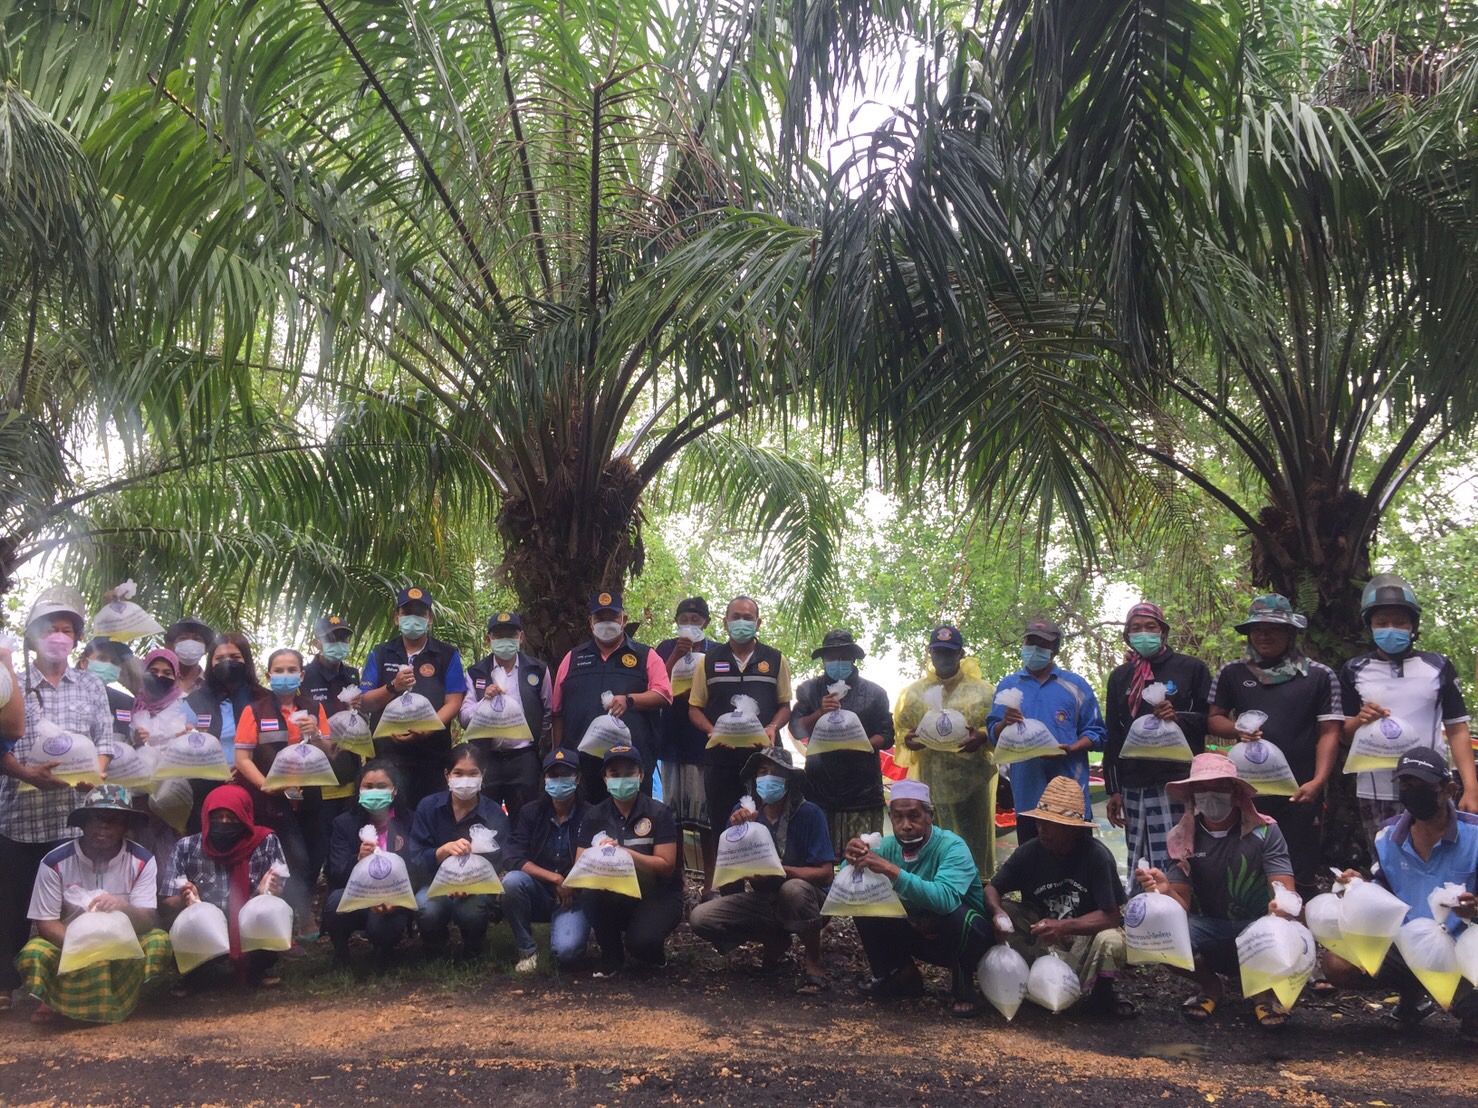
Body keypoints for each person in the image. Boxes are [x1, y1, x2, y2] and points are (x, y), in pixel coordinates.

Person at [0, 586, 116, 1009]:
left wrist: (95, 773)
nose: (59, 636)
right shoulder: (9, 682)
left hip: (73, 817)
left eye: (68, 630)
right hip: (18, 815)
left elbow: (104, 738)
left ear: (76, 639)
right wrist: (24, 773)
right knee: (9, 906)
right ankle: (4, 985)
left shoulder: (89, 685)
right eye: (51, 628)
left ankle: (63, 985)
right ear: (32, 635)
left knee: (72, 905)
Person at [1319, 748, 1477, 1039]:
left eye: (1423, 786)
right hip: (1405, 943)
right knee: (1338, 963)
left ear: (1448, 789)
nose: (1412, 792)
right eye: (1405, 785)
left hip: (1463, 948)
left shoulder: (1475, 834)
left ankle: (1456, 1000)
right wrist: (1360, 886)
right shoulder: (1387, 835)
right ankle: (1414, 994)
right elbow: (1385, 890)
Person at [1135, 753, 1297, 1028]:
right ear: (1192, 796)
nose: (1211, 795)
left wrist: (1279, 907)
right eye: (1202, 789)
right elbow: (1180, 908)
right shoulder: (1181, 838)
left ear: (1235, 793)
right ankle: (1211, 988)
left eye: (1220, 787)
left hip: (1259, 929)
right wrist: (1163, 891)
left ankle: (1264, 992)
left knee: (1287, 922)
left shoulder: (1265, 832)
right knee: (1157, 932)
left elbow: (1285, 892)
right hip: (1209, 928)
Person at [1208, 594, 1342, 901]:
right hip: (1246, 791)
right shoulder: (1233, 672)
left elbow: (1329, 731)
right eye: (1257, 629)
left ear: (1290, 632)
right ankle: (1247, 930)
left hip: (1300, 790)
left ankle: (1297, 931)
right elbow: (1214, 719)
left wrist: (1318, 781)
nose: (1263, 635)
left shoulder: (1318, 675)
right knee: (1245, 865)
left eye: (1273, 628)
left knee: (1298, 866)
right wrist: (1237, 729)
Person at [1339, 575, 1478, 848]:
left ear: (1412, 625)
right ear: (1370, 627)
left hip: (1433, 785)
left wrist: (1471, 787)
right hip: (1375, 788)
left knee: (1442, 856)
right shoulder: (1354, 670)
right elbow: (1343, 736)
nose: (1390, 628)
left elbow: (1457, 729)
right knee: (1386, 864)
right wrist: (1358, 720)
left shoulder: (1438, 666)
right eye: (1382, 623)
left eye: (1399, 622)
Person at [16, 786, 170, 1025]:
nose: (104, 826)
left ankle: (128, 996)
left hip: (123, 945)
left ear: (125, 826)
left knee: (158, 942)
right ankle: (55, 999)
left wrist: (123, 907)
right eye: (97, 819)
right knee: (33, 953)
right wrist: (83, 946)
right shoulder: (54, 862)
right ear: (83, 824)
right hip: (69, 944)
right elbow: (45, 921)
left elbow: (147, 920)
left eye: (113, 821)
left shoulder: (142, 861)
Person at [688, 748, 835, 992]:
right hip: (764, 899)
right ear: (753, 779)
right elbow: (731, 865)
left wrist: (780, 870)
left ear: (789, 780)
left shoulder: (810, 813)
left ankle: (814, 962)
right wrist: (736, 833)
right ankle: (775, 941)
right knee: (701, 918)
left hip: (809, 899)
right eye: (762, 772)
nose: (768, 778)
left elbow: (826, 874)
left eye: (776, 772)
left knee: (793, 889)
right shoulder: (745, 814)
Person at [985, 776, 1133, 1018]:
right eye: (1040, 823)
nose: (1041, 829)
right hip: (1040, 935)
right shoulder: (1029, 852)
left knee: (1112, 940)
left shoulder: (1097, 856)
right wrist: (997, 912)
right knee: (999, 911)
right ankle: (1021, 979)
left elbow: (1111, 916)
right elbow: (993, 888)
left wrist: (1065, 926)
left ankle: (1101, 994)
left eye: (1050, 824)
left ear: (1072, 830)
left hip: (1081, 937)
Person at [844, 780, 994, 1017]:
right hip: (916, 931)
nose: (905, 825)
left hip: (962, 936)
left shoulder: (952, 847)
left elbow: (945, 899)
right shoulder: (888, 846)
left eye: (914, 816)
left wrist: (891, 870)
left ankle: (964, 984)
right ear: (890, 818)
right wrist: (852, 858)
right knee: (865, 900)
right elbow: (850, 882)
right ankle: (900, 975)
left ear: (929, 816)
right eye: (897, 817)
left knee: (958, 916)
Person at [688, 596, 792, 886]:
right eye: (736, 616)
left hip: (765, 765)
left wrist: (772, 726)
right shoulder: (709, 661)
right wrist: (712, 732)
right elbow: (694, 708)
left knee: (767, 825)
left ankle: (768, 897)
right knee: (726, 828)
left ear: (758, 623)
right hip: (721, 762)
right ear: (725, 622)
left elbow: (785, 704)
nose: (742, 622)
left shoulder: (775, 659)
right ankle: (730, 899)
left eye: (748, 617)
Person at [1103, 602, 1212, 871]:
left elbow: (1208, 720)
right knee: (1139, 853)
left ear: (1163, 631)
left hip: (1177, 780)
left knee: (1178, 852)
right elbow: (1114, 734)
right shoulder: (1120, 677)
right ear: (1127, 636)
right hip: (1133, 782)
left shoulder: (1191, 669)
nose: (1143, 633)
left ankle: (1180, 904)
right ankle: (1142, 906)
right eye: (1135, 628)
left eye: (1150, 627)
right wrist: (1113, 788)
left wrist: (1178, 717)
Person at [232, 648, 333, 936]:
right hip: (273, 799)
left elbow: (330, 753)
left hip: (310, 795)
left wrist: (315, 734)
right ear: (269, 675)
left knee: (315, 854)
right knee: (293, 856)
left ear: (301, 675)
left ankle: (297, 909)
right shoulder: (254, 710)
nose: (285, 675)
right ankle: (301, 916)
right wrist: (266, 784)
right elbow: (242, 758)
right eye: (279, 670)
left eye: (292, 670)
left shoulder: (314, 708)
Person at [985, 618, 1106, 842]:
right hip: (1027, 799)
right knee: (1033, 870)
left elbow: (1097, 733)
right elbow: (993, 734)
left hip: (1070, 798)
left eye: (1042, 645)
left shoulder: (1075, 686)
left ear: (1054, 650)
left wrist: (1071, 748)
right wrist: (1004, 723)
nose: (1034, 649)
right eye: (1030, 642)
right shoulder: (1008, 686)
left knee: (1077, 871)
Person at [161, 783, 288, 992]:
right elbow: (167, 898)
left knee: (269, 909)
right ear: (206, 817)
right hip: (207, 924)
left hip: (247, 916)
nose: (224, 823)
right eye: (217, 817)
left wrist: (270, 888)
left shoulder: (265, 841)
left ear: (245, 816)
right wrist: (185, 898)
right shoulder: (186, 847)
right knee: (187, 919)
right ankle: (195, 975)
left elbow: (281, 886)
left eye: (231, 817)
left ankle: (257, 970)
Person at [894, 624, 997, 877]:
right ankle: (931, 897)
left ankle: (977, 894)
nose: (943, 658)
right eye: (938, 652)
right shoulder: (915, 693)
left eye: (950, 652)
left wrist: (982, 736)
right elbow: (900, 730)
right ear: (929, 652)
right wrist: (908, 740)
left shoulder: (983, 691)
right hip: (930, 784)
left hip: (973, 784)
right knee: (930, 842)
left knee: (973, 844)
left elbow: (998, 729)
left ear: (961, 653)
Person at [551, 591, 671, 804]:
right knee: (583, 826)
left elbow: (663, 694)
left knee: (634, 826)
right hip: (582, 766)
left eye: (612, 617)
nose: (606, 623)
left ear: (624, 619)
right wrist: (558, 751)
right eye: (600, 618)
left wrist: (630, 700)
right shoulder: (573, 658)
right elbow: (557, 711)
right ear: (591, 622)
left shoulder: (646, 656)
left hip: (630, 766)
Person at [578, 745, 683, 977]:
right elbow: (581, 867)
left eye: (629, 772)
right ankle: (611, 956)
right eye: (615, 774)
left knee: (642, 944)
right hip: (614, 893)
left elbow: (666, 867)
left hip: (657, 894)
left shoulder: (659, 813)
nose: (622, 779)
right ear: (605, 779)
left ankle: (651, 950)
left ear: (641, 775)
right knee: (589, 894)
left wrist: (625, 854)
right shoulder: (594, 816)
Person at [790, 629, 895, 860]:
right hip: (820, 790)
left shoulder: (875, 693)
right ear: (824, 660)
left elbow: (887, 735)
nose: (837, 662)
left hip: (863, 792)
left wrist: (863, 744)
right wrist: (819, 711)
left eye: (843, 656)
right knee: (820, 859)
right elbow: (796, 729)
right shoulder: (809, 690)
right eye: (831, 657)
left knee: (863, 859)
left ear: (853, 658)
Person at [361, 586, 467, 809]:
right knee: (391, 823)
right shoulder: (380, 653)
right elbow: (366, 701)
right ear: (397, 618)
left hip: (431, 758)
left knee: (429, 818)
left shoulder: (447, 654)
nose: (414, 619)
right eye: (407, 613)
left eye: (420, 613)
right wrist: (393, 686)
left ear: (429, 620)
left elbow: (454, 702)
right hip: (386, 758)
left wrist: (428, 729)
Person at [409, 744, 511, 960]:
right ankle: (434, 946)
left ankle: (473, 947)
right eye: (458, 773)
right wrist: (442, 851)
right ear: (447, 775)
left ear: (483, 776)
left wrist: (470, 883)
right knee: (427, 908)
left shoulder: (494, 813)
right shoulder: (428, 807)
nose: (465, 779)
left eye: (473, 773)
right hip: (434, 883)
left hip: (477, 887)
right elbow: (416, 858)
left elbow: (499, 861)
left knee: (471, 911)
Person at [502, 748, 592, 972]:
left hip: (575, 897)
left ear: (578, 778)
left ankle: (574, 932)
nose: (559, 781)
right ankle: (527, 951)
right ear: (544, 779)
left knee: (567, 953)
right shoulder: (530, 812)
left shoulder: (591, 814)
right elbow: (512, 856)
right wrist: (555, 879)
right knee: (512, 881)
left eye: (566, 774)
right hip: (539, 893)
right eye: (553, 775)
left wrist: (571, 884)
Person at [322, 761, 414, 970]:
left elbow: (416, 868)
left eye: (382, 786)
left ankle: (384, 949)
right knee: (335, 900)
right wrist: (357, 860)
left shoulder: (409, 821)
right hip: (357, 896)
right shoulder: (344, 823)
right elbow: (336, 870)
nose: (375, 792)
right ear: (359, 791)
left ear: (394, 790)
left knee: (381, 928)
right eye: (368, 787)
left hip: (394, 899)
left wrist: (396, 900)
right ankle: (341, 951)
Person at [654, 598, 718, 893]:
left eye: (695, 618)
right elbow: (655, 685)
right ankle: (676, 881)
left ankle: (710, 883)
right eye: (684, 617)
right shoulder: (665, 647)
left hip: (703, 743)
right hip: (671, 741)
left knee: (706, 819)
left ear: (705, 622)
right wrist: (674, 658)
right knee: (674, 818)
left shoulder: (717, 650)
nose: (689, 623)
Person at [462, 610, 551, 818]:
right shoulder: (476, 672)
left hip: (524, 758)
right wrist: (484, 700)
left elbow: (548, 711)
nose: (505, 641)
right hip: (486, 758)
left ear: (520, 637)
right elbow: (465, 718)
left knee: (526, 817)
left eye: (510, 635)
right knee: (486, 817)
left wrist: (536, 741)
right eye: (498, 635)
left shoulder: (537, 670)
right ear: (488, 640)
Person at [186, 633, 270, 830]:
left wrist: (244, 772)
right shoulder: (195, 701)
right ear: (211, 663)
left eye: (235, 657)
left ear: (246, 661)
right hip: (206, 790)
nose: (227, 663)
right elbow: (182, 748)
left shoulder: (265, 699)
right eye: (220, 658)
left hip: (256, 790)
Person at [303, 614, 364, 861]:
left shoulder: (351, 674)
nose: (339, 643)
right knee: (317, 842)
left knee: (345, 839)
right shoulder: (305, 675)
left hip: (347, 766)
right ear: (317, 642)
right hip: (316, 770)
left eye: (343, 637)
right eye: (331, 637)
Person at [80, 637, 137, 743]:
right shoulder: (64, 695)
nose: (109, 665)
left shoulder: (126, 702)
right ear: (84, 662)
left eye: (115, 662)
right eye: (102, 659)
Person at [163, 616, 216, 697]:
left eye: (197, 639)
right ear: (171, 646)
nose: (190, 643)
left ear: (206, 649)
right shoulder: (162, 680)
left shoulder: (213, 685)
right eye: (183, 638)